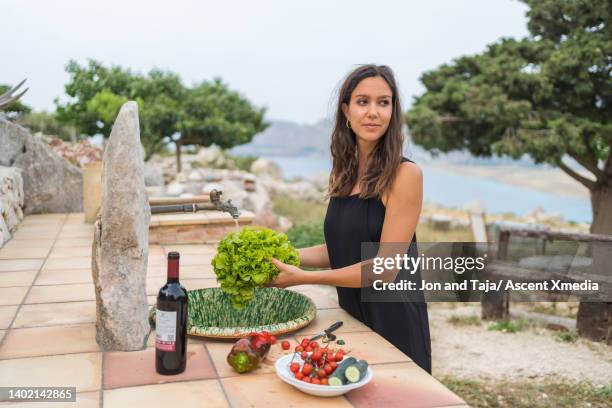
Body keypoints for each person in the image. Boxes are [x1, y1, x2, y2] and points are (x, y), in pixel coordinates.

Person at [267, 64, 431, 373]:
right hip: (353, 317)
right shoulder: (345, 173)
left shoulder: (406, 174)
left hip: (393, 323)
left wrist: (303, 278)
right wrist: (283, 257)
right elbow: (343, 248)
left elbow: (383, 269)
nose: (373, 112)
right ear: (346, 109)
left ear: (393, 111)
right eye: (362, 101)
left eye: (383, 102)